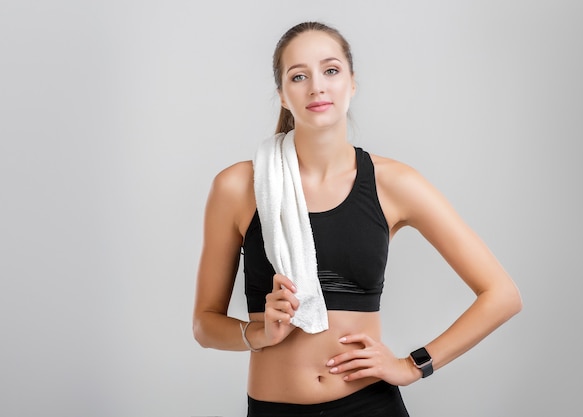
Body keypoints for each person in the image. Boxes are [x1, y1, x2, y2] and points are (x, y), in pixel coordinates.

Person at [193, 21, 522, 417]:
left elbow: (502, 295)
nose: (317, 86)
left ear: (352, 83)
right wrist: (258, 333)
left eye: (331, 70)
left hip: (370, 406)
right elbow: (204, 325)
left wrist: (413, 365)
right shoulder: (239, 187)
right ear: (282, 94)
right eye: (299, 76)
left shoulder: (394, 183)